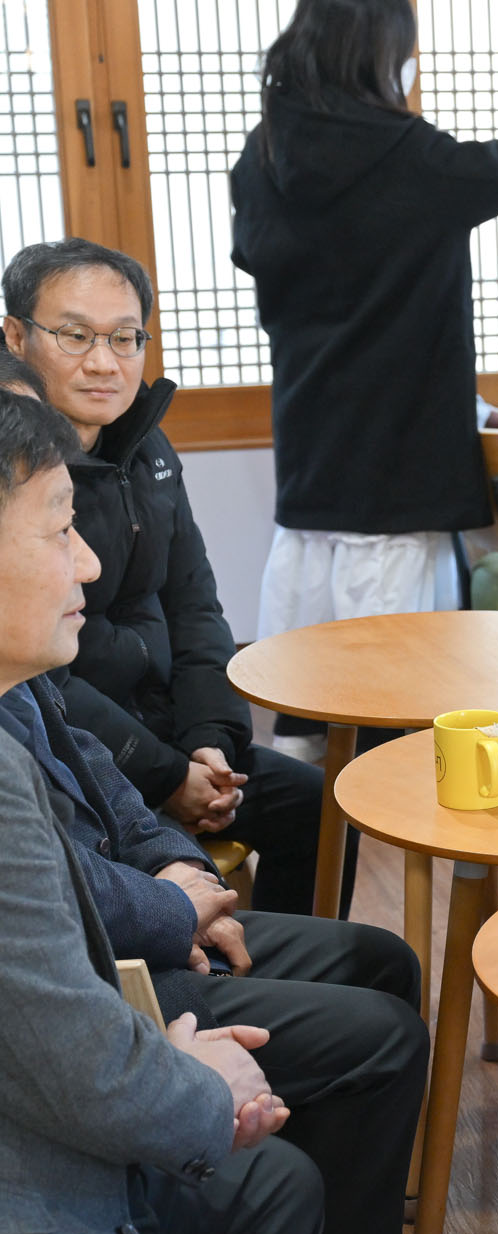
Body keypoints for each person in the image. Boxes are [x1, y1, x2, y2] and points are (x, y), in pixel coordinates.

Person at [0, 389, 447, 1234]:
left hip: (74, 1101)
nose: (88, 563)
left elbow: (188, 637)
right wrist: (196, 1078)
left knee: (282, 1180)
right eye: (60, 531)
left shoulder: (21, 682)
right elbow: (69, 1055)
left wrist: (181, 875)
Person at [0, 669, 426, 1234]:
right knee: (384, 1037)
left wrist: (176, 864)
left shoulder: (25, 682)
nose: (82, 614)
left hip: (143, 915)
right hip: (114, 969)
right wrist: (176, 907)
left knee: (383, 962)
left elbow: (102, 777)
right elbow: (64, 892)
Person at [1, 237, 332, 918]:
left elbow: (194, 604)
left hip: (175, 741)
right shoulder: (18, 473)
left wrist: (211, 740)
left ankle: (289, 960)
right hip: (84, 762)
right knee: (184, 879)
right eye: (75, 336)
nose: (104, 362)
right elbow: (43, 682)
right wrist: (167, 774)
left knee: (318, 807)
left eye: (125, 338)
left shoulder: (147, 445)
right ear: (15, 336)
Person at [230, 0, 498, 685]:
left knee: (301, 678)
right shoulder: (412, 153)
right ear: (382, 58)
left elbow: (267, 265)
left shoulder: (263, 152)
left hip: (311, 450)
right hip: (399, 463)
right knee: (394, 689)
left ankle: (299, 756)